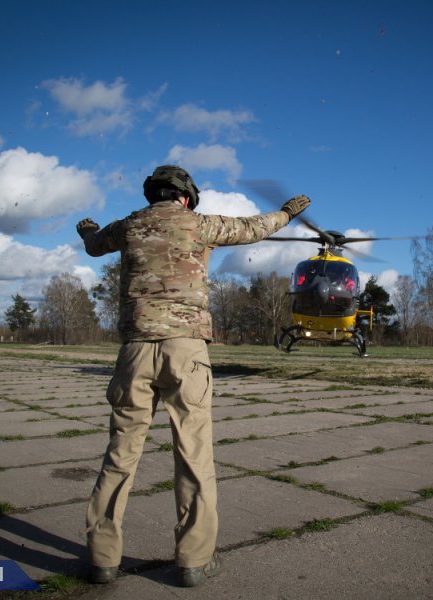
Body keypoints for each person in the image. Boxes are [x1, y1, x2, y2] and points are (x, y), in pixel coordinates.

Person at [76, 166, 310, 587]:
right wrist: (286, 214)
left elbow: (94, 246)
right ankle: (193, 561)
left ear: (154, 195)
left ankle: (102, 559)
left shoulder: (127, 226)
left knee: (120, 455)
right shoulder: (201, 225)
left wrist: (88, 229)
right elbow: (253, 229)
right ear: (186, 197)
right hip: (186, 351)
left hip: (134, 352)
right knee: (194, 456)